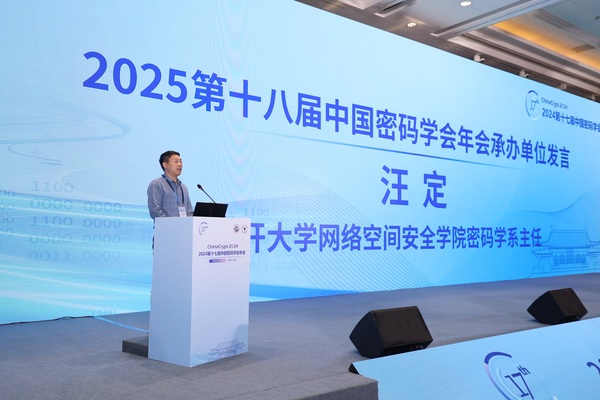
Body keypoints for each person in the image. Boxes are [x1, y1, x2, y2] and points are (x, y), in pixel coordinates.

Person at [147, 150, 194, 220]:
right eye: (176, 161)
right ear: (165, 165)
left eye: (181, 161)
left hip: (184, 226)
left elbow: (189, 212)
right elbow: (155, 210)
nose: (179, 164)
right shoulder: (156, 184)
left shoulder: (183, 187)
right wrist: (171, 223)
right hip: (166, 226)